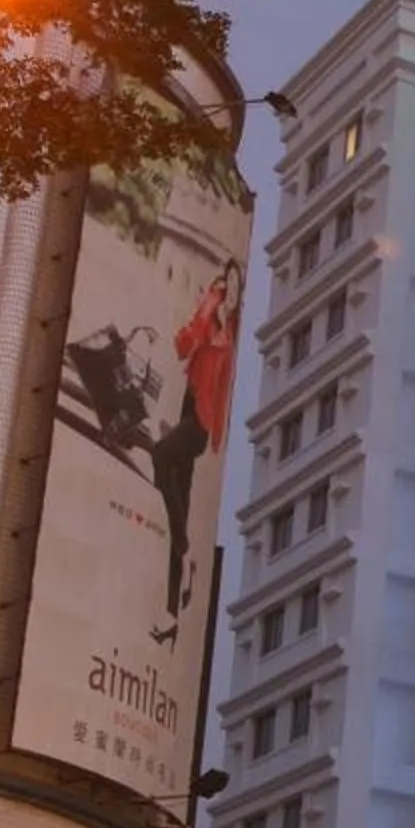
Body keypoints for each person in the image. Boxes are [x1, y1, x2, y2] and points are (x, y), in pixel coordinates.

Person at [150, 259, 242, 645]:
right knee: (181, 513)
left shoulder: (232, 336)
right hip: (186, 407)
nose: (230, 293)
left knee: (159, 454)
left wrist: (217, 436)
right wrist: (207, 306)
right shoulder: (210, 319)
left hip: (200, 423)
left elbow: (222, 392)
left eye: (236, 288)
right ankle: (171, 615)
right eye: (227, 284)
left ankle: (186, 553)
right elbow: (181, 344)